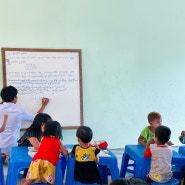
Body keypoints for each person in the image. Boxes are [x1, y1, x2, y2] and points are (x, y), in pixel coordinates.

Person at [0, 85, 49, 156]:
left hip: (1, 144)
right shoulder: (20, 111)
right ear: (14, 98)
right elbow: (37, 118)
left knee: (2, 165)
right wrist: (43, 105)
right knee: (11, 162)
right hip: (12, 145)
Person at [22, 121, 68, 185]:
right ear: (58, 131)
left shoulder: (43, 138)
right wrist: (64, 149)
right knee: (48, 181)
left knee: (29, 180)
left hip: (37, 161)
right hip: (49, 162)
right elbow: (65, 153)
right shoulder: (58, 141)